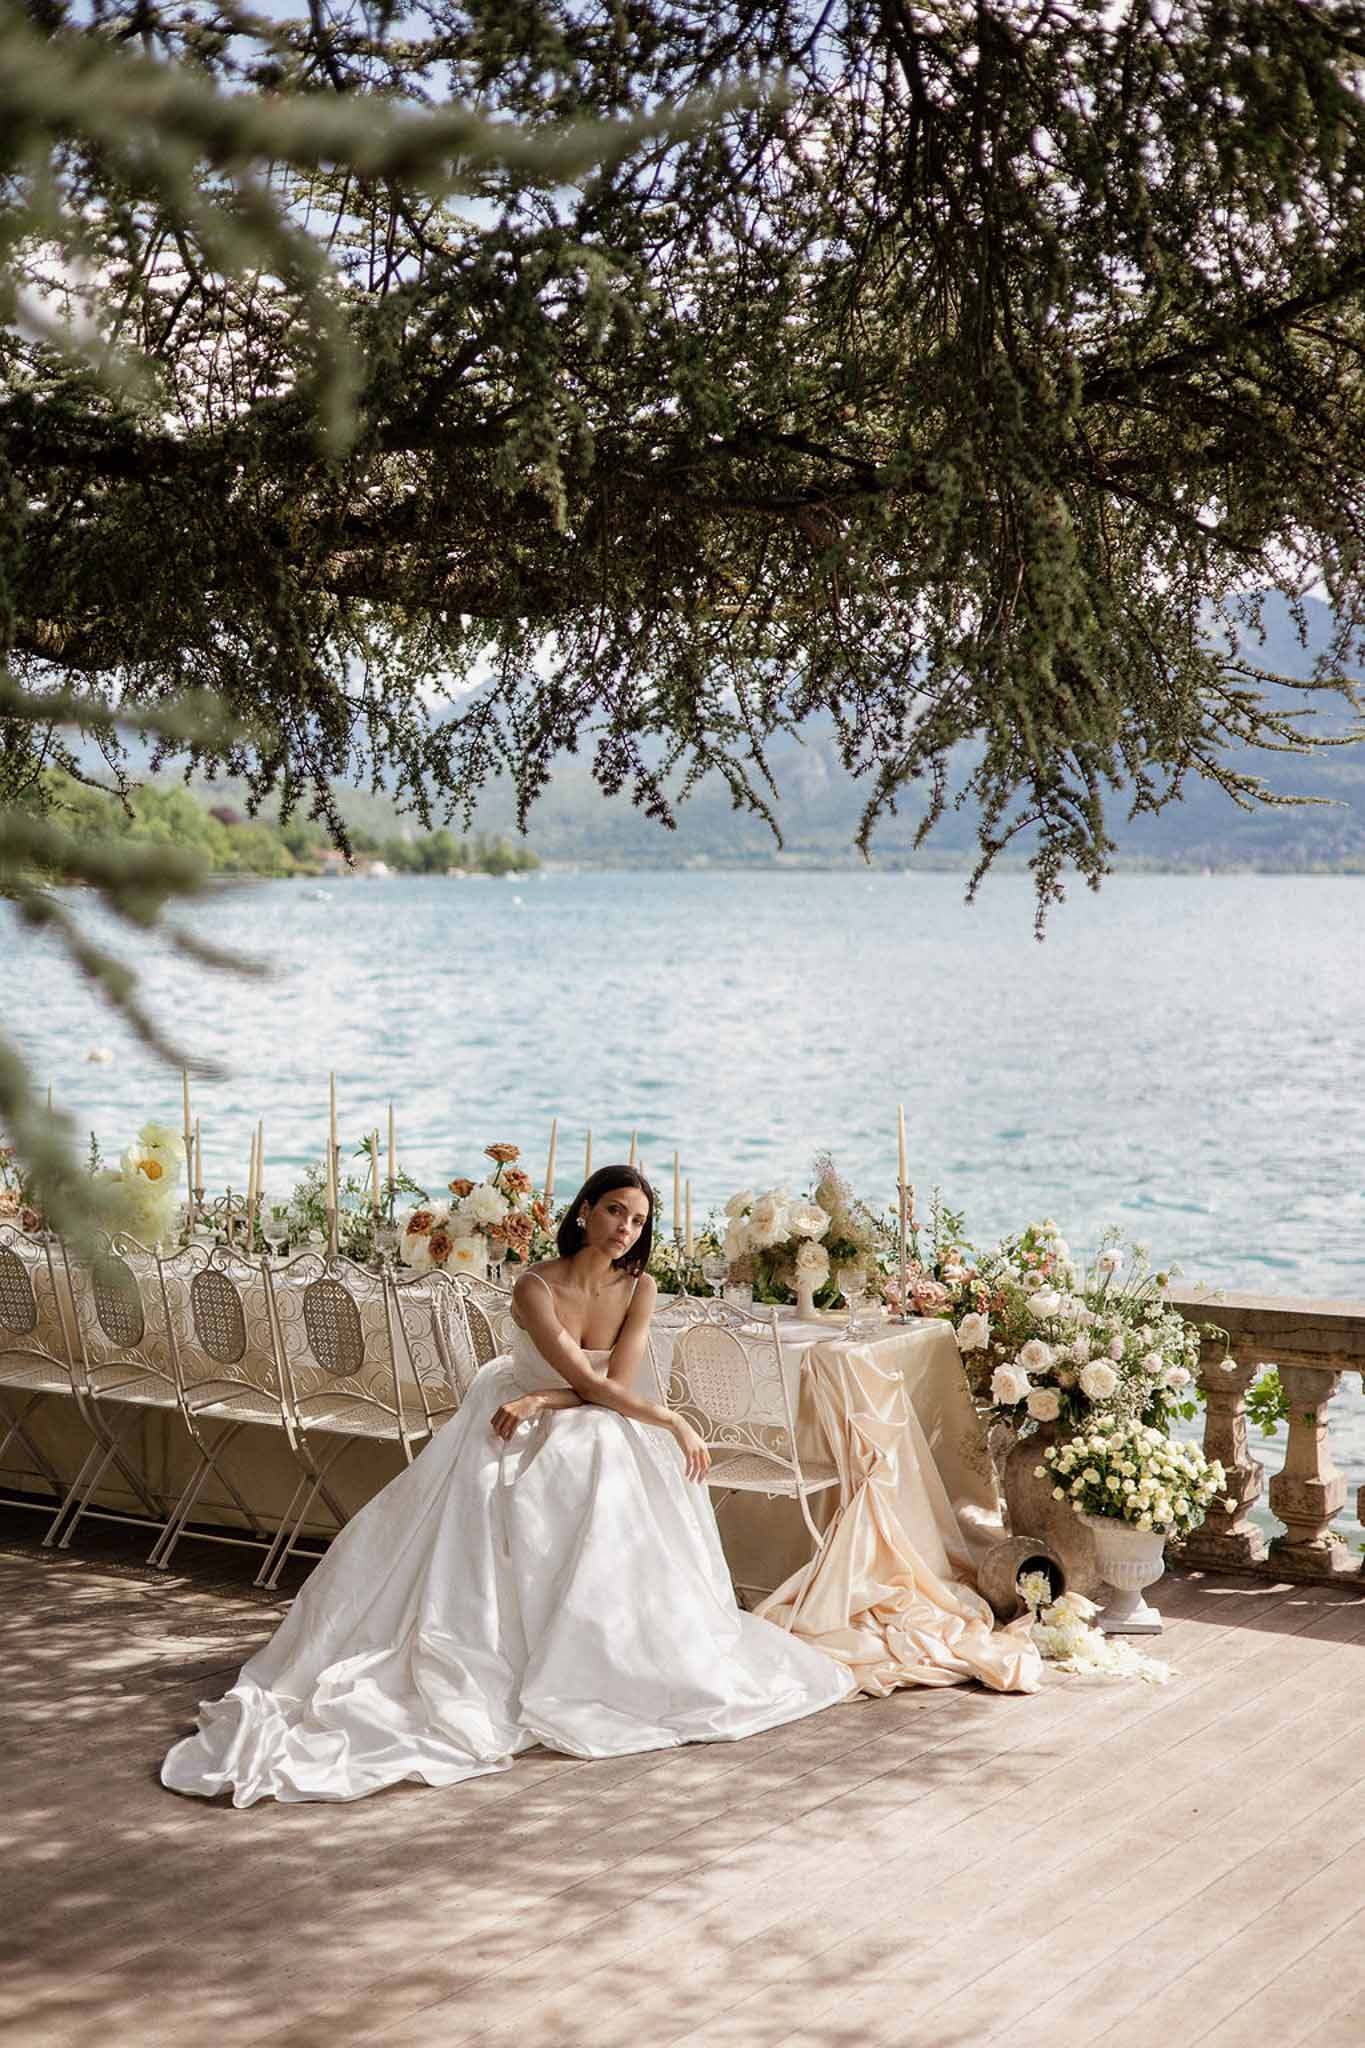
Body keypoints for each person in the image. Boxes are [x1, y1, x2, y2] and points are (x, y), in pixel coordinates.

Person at [161, 1165, 856, 1806]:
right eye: (614, 1211)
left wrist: (546, 1404)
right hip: (514, 1422)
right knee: (588, 1455)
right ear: (584, 1211)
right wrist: (668, 1418)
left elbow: (609, 1391)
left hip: (586, 1415)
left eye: (639, 1221)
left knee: (605, 1448)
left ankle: (616, 1652)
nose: (624, 1229)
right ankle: (536, 1650)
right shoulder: (535, 1286)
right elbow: (588, 1382)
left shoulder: (639, 1288)